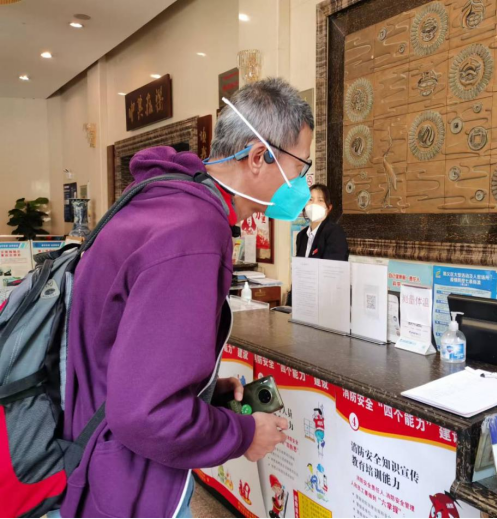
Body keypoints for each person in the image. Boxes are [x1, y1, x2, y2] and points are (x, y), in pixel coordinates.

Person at [58, 78, 313, 518]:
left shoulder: (164, 199)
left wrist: (203, 393)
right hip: (127, 484)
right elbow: (145, 413)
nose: (303, 185)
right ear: (259, 157)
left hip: (95, 453)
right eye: (301, 168)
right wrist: (243, 434)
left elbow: (129, 356)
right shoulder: (194, 230)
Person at [295, 184, 349, 261]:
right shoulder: (301, 235)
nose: (314, 204)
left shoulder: (334, 233)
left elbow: (332, 266)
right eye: (310, 199)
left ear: (329, 208)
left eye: (320, 200)